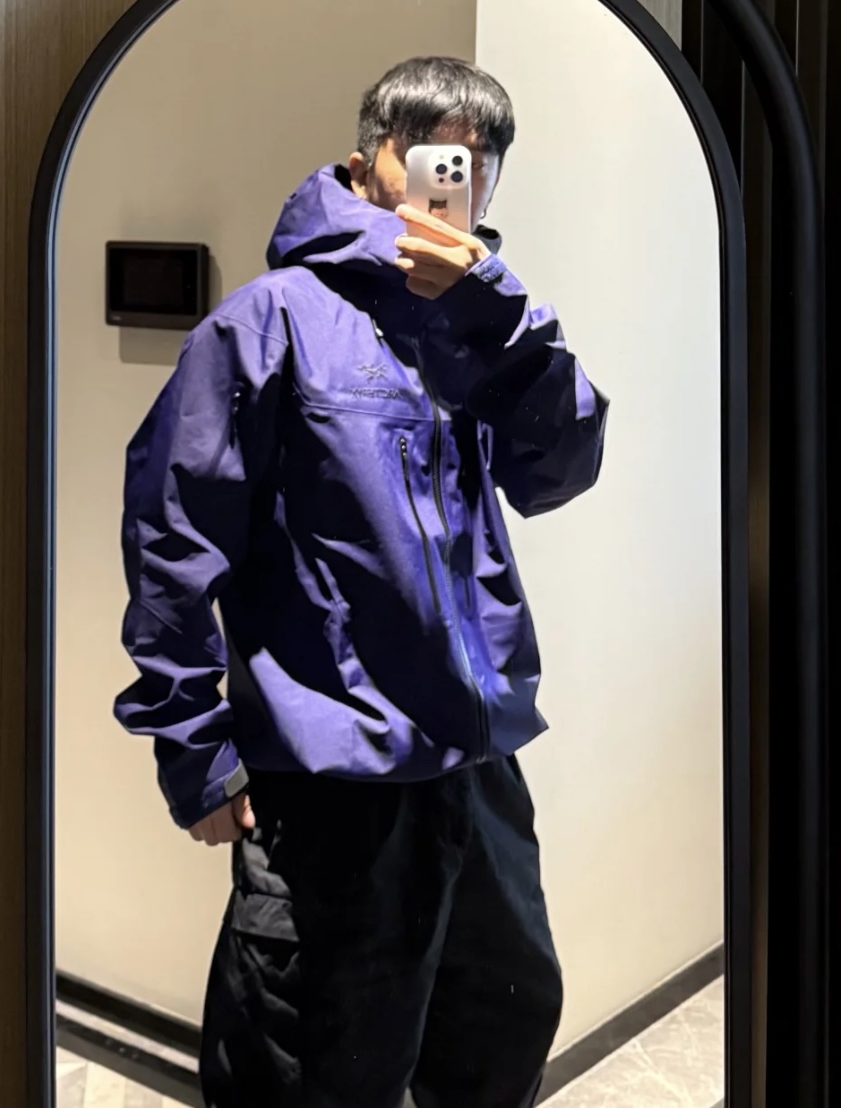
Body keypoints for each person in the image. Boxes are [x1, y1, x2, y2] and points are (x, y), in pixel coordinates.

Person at [115, 56, 609, 1108]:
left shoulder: (485, 331)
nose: (454, 177)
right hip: (327, 781)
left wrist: (499, 324)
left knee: (498, 1037)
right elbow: (171, 539)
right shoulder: (267, 323)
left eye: (478, 161)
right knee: (312, 1069)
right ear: (364, 161)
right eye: (429, 152)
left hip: (476, 768)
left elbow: (560, 473)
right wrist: (192, 750)